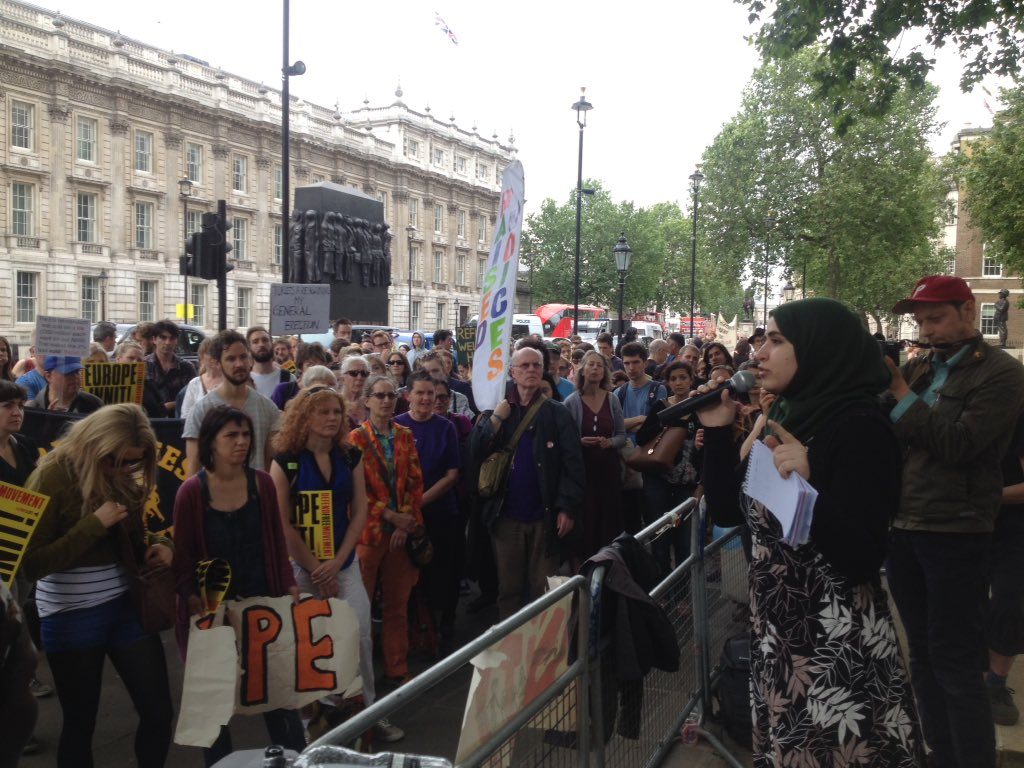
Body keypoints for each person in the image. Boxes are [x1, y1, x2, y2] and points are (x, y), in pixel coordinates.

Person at [697, 298, 923, 766]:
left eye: (777, 341)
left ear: (822, 350)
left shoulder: (860, 427)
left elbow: (861, 556)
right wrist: (718, 434)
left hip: (833, 651)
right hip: (780, 640)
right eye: (763, 339)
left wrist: (810, 484)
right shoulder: (788, 419)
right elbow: (727, 508)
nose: (759, 353)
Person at [886, 275, 1024, 768]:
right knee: (921, 653)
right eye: (921, 320)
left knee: (956, 661)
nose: (928, 330)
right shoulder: (923, 365)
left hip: (955, 530)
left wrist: (900, 389)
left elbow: (960, 445)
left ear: (969, 312)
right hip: (904, 525)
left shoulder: (1001, 373)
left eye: (937, 318)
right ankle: (941, 753)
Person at [22, 404, 174, 768]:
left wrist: (161, 546)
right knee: (80, 724)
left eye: (132, 463)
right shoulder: (52, 476)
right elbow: (30, 564)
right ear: (94, 444)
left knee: (159, 712)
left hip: (127, 605)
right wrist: (93, 525)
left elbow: (135, 534)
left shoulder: (123, 472)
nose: (121, 470)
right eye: (114, 460)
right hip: (70, 613)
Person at [269, 387, 405, 744]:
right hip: (302, 569)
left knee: (360, 636)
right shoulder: (285, 460)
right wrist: (317, 567)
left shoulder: (349, 456)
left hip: (343, 564)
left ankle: (369, 713)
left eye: (336, 411)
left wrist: (338, 561)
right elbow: (281, 523)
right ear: (304, 417)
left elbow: (359, 510)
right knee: (309, 645)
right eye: (322, 412)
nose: (331, 418)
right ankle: (312, 724)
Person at [172, 406, 305, 765]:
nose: (242, 442)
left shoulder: (261, 483)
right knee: (215, 706)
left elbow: (276, 542)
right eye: (231, 435)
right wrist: (191, 598)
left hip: (262, 609)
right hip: (213, 616)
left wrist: (288, 584)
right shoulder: (191, 492)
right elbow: (182, 559)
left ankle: (293, 760)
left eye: (246, 434)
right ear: (211, 442)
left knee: (277, 697)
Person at [469, 347, 584, 619]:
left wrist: (567, 508)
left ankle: (542, 651)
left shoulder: (556, 413)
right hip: (506, 515)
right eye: (525, 366)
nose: (531, 370)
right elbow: (475, 452)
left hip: (544, 516)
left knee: (543, 589)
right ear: (513, 372)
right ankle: (511, 650)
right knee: (508, 588)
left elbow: (574, 464)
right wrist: (496, 418)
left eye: (536, 365)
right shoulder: (498, 408)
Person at [348, 375, 425, 687]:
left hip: (401, 533)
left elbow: (416, 482)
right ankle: (356, 674)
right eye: (379, 395)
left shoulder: (405, 435)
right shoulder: (356, 439)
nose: (385, 401)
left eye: (391, 395)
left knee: (397, 606)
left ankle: (397, 668)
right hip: (369, 533)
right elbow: (357, 493)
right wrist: (390, 515)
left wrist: (405, 520)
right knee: (359, 608)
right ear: (367, 400)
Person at [394, 372, 461, 651]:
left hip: (440, 512)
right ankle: (415, 628)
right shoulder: (396, 426)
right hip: (404, 516)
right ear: (408, 395)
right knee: (410, 576)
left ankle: (443, 624)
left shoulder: (445, 427)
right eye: (419, 393)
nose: (425, 399)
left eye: (430, 394)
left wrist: (420, 501)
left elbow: (452, 474)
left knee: (443, 571)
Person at [184, 330, 281, 476]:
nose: (239, 364)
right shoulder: (201, 410)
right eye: (231, 359)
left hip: (256, 494)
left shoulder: (268, 409)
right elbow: (192, 469)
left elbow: (270, 464)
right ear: (217, 363)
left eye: (243, 357)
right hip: (214, 495)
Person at [634, 361, 701, 572]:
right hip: (658, 479)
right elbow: (642, 436)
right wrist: (668, 422)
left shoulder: (700, 407)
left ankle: (683, 591)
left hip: (686, 482)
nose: (679, 383)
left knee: (684, 540)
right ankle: (662, 587)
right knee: (659, 537)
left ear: (691, 379)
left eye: (683, 378)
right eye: (673, 379)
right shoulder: (661, 407)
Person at [564, 351, 626, 560]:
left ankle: (610, 569)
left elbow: (621, 435)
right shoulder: (572, 402)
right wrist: (579, 441)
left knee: (609, 523)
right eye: (590, 365)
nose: (595, 369)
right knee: (587, 524)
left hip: (608, 472)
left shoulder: (612, 399)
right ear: (582, 369)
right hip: (584, 474)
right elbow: (565, 440)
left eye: (599, 365)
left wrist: (610, 442)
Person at [985, 413, 1024, 726]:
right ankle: (973, 674)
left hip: (1014, 525)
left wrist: (985, 497)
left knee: (1011, 603)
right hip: (969, 520)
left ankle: (996, 682)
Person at [145, 319, 197, 417]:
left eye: (172, 338)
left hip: (178, 420)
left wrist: (171, 405)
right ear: (154, 339)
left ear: (176, 341)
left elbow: (193, 396)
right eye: (163, 338)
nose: (167, 342)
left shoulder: (186, 367)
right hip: (151, 421)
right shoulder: (143, 365)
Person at [27, 356, 103, 414]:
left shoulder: (93, 404)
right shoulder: (33, 409)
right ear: (48, 376)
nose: (75, 377)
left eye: (77, 371)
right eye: (68, 373)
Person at [113, 340, 165, 418]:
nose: (135, 363)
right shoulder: (108, 384)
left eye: (139, 360)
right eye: (131, 358)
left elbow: (161, 412)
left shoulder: (149, 385)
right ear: (118, 359)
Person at [272, 342, 330, 410]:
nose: (315, 368)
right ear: (300, 366)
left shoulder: (328, 390)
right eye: (310, 365)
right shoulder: (283, 390)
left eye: (319, 365)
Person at [177, 337, 222, 421]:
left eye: (217, 353)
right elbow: (185, 416)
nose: (214, 357)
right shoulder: (194, 384)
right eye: (210, 353)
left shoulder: (229, 382)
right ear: (201, 356)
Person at [247, 326, 294, 400]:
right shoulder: (244, 379)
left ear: (272, 344)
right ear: (249, 348)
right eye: (255, 342)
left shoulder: (289, 378)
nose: (261, 344)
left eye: (265, 340)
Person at [339, 355, 370, 429]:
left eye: (364, 373)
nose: (359, 378)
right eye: (354, 373)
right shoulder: (336, 403)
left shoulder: (372, 402)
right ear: (342, 378)